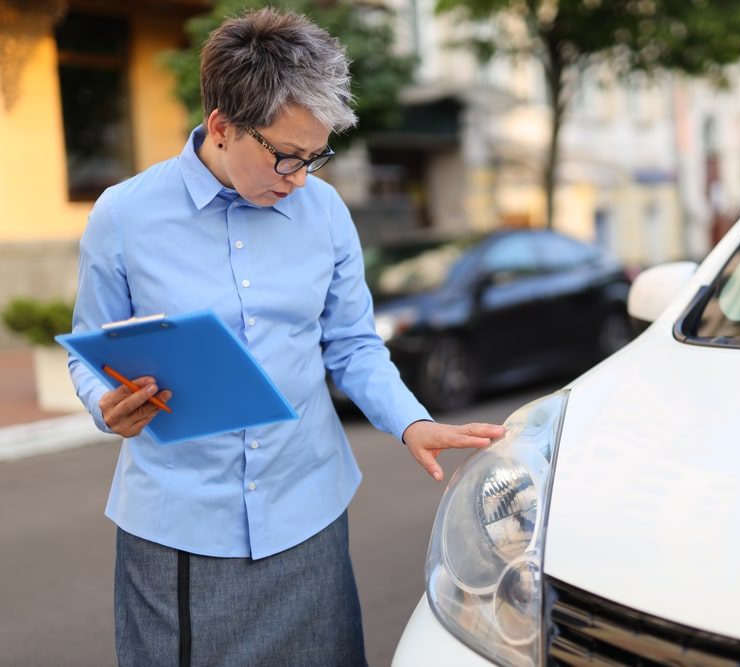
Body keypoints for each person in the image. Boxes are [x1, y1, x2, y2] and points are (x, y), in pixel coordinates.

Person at [67, 8, 503, 666]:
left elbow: (353, 344)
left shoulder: (324, 211)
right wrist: (107, 403)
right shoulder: (123, 215)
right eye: (285, 155)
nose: (300, 177)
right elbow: (90, 351)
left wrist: (411, 421)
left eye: (315, 155)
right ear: (221, 126)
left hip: (309, 517)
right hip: (182, 534)